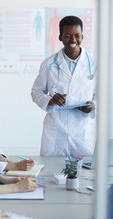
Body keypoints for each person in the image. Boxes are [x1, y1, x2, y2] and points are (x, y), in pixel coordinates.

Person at [31, 15, 97, 157]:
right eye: (67, 36)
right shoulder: (49, 64)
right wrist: (50, 100)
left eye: (77, 36)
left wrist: (94, 105)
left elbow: (105, 95)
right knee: (52, 173)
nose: (73, 40)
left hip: (83, 130)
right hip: (56, 129)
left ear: (82, 36)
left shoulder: (94, 64)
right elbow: (36, 92)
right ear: (60, 37)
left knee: (85, 173)